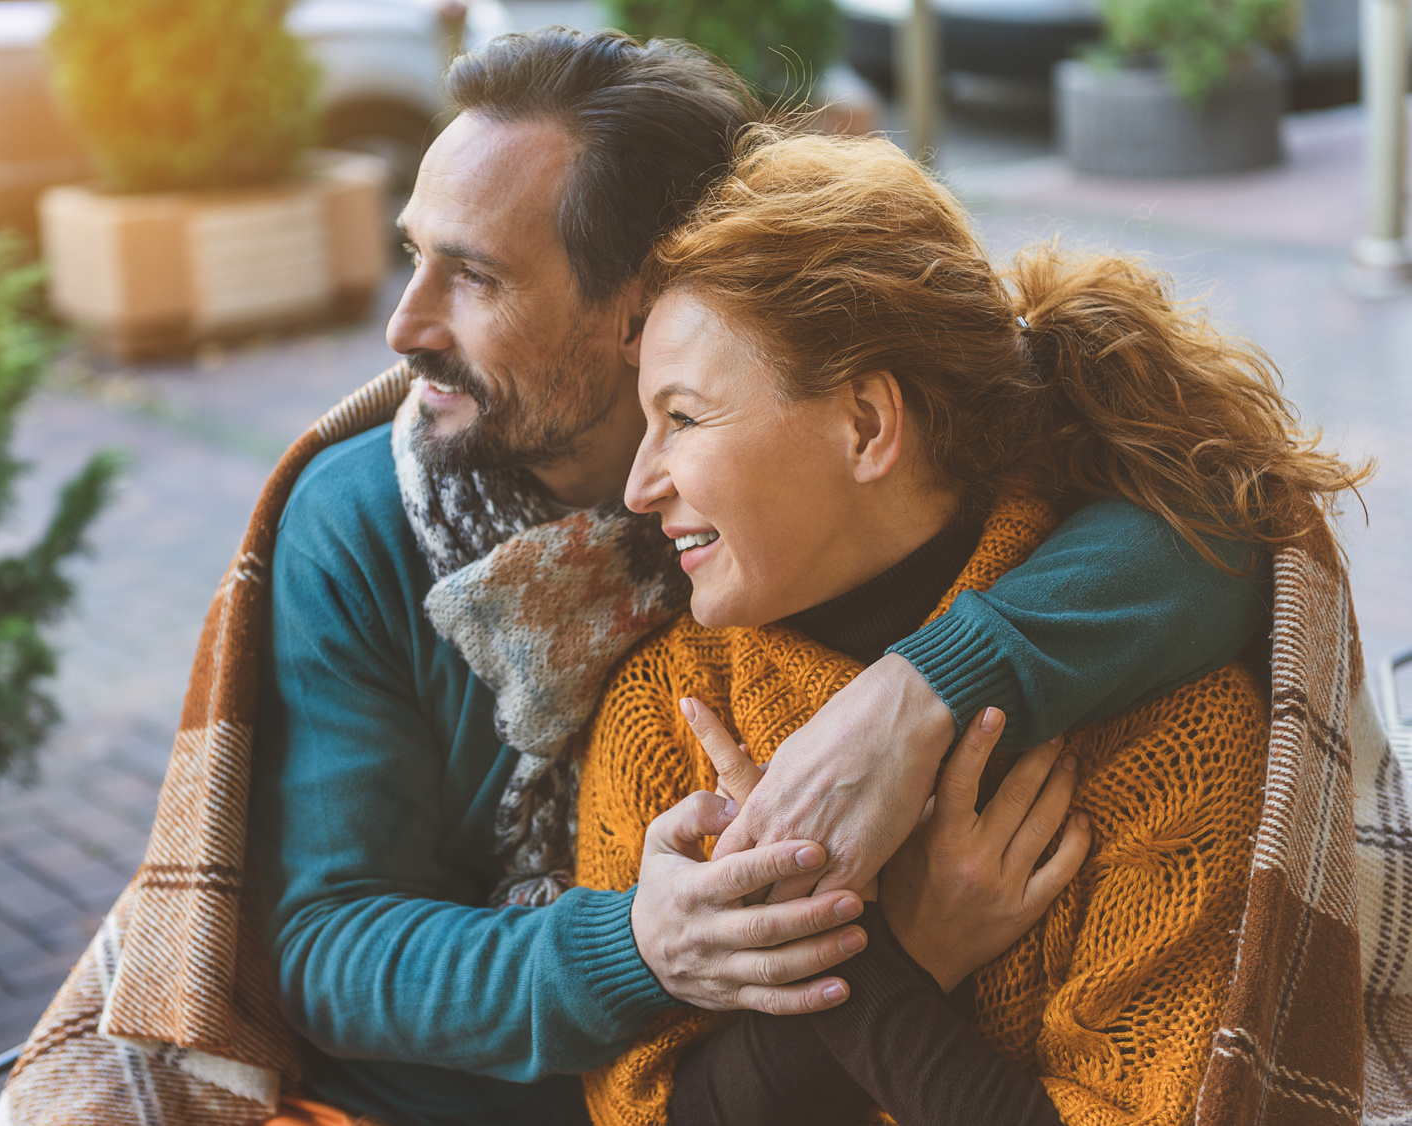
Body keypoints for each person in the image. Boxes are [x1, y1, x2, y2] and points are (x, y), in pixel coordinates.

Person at [243, 27, 1279, 1126]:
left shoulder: (867, 456)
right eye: (415, 253)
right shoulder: (369, 522)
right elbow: (322, 941)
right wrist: (653, 944)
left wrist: (916, 696)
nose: (403, 326)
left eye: (475, 274)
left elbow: (1217, 524)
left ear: (646, 302)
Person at [574, 128, 1366, 1126]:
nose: (638, 486)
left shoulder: (1169, 736)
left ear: (865, 424)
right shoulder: (665, 715)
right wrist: (900, 946)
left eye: (681, 418)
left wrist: (840, 955)